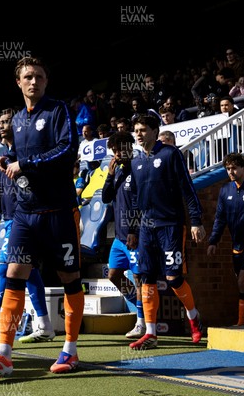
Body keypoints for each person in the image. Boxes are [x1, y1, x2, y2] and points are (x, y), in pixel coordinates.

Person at [0, 56, 83, 376]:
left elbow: (67, 151)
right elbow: (20, 160)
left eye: (40, 77)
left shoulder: (58, 110)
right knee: (12, 276)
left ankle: (70, 351)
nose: (34, 82)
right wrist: (11, 159)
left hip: (59, 211)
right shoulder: (18, 121)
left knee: (69, 279)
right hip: (24, 214)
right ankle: (4, 353)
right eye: (28, 77)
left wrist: (26, 164)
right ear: (18, 82)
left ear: (46, 82)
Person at [0, 110, 56, 347]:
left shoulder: (28, 154)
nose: (1, 126)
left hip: (23, 219)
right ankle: (44, 325)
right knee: (29, 272)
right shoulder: (4, 157)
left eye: (6, 122)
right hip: (8, 220)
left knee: (7, 270)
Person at [129, 114, 206, 350]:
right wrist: (133, 228)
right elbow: (135, 198)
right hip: (146, 228)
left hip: (170, 225)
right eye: (136, 131)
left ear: (155, 131)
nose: (139, 134)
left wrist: (196, 221)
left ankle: (193, 317)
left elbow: (187, 188)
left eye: (143, 130)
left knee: (173, 278)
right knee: (146, 278)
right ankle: (151, 333)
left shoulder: (171, 154)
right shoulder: (136, 161)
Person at [207, 153, 244, 326]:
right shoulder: (225, 190)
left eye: (234, 168)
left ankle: (241, 323)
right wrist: (213, 241)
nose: (230, 172)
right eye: (228, 169)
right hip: (236, 245)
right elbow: (220, 218)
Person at [101, 131, 145, 339]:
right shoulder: (116, 171)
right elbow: (105, 198)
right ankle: (139, 304)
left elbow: (142, 204)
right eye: (115, 150)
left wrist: (135, 230)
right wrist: (109, 176)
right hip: (119, 237)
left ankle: (142, 321)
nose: (117, 153)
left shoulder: (138, 169)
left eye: (121, 148)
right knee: (114, 275)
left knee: (138, 277)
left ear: (130, 146)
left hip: (135, 235)